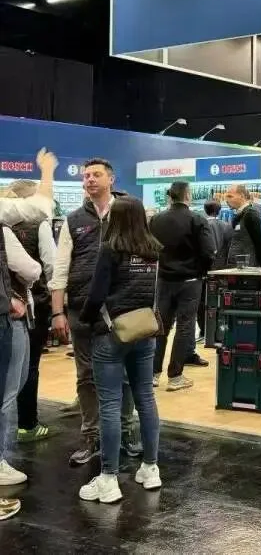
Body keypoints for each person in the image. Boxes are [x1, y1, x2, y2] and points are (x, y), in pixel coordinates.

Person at [50, 158, 140, 466]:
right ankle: (91, 437)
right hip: (82, 310)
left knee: (124, 374)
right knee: (86, 376)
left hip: (121, 309)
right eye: (86, 175)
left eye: (96, 174)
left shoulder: (128, 214)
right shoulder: (73, 220)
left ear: (111, 179)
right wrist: (57, 312)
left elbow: (144, 258)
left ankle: (125, 433)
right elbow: (61, 268)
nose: (89, 179)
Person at [78, 196, 163, 503]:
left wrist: (85, 320)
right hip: (145, 331)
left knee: (110, 404)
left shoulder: (110, 249)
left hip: (112, 334)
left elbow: (96, 294)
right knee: (146, 399)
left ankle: (109, 478)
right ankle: (151, 468)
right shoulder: (153, 250)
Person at [0, 148, 55, 509]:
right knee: (9, 390)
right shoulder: (10, 222)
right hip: (9, 314)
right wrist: (47, 171)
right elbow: (34, 268)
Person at [2, 180, 57, 444]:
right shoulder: (38, 224)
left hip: (12, 302)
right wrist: (58, 302)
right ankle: (27, 423)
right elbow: (47, 265)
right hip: (26, 304)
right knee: (25, 367)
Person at [150, 182, 216, 390]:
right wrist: (202, 271)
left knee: (161, 326)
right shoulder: (197, 219)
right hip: (190, 281)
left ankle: (153, 374)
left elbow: (149, 249)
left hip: (163, 280)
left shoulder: (156, 220)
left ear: (170, 196)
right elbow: (209, 251)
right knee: (185, 326)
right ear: (188, 195)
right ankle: (175, 376)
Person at [192, 200, 232, 354]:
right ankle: (221, 332)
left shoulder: (200, 225)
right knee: (222, 301)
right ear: (220, 210)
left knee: (202, 301)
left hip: (204, 269)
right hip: (222, 270)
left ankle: (204, 331)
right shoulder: (227, 226)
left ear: (204, 210)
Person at [225, 184, 261, 267]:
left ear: (242, 196)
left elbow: (260, 243)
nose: (227, 200)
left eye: (230, 196)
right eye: (226, 197)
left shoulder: (250, 214)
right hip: (237, 266)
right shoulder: (239, 215)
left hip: (248, 267)